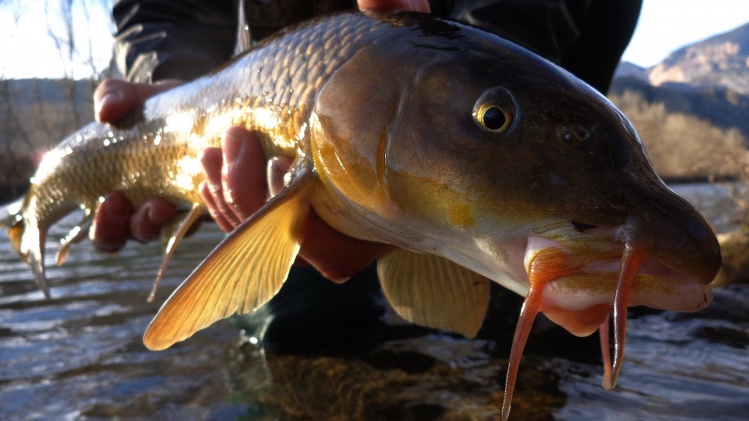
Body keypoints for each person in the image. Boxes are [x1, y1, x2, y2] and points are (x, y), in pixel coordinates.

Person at [91, 0, 642, 346]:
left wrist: (473, 62)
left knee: (537, 327)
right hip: (309, 92)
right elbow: (162, 10)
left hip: (455, 58)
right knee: (300, 328)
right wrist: (170, 83)